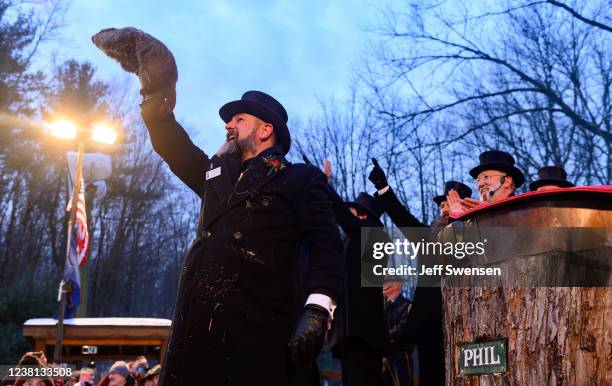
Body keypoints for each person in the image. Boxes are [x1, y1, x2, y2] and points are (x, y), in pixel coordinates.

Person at [140, 90, 342, 386]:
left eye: (239, 118)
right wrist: (155, 104)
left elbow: (327, 245)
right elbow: (176, 149)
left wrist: (318, 308)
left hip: (258, 329)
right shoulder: (215, 173)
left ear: (265, 130)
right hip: (198, 330)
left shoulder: (299, 178)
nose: (228, 125)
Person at [368, 160, 444, 386]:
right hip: (431, 325)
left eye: (450, 205)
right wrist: (384, 188)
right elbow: (402, 217)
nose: (445, 211)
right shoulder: (428, 238)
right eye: (441, 208)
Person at [447, 150, 525, 214]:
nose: (480, 184)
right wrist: (458, 220)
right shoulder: (472, 218)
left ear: (507, 181)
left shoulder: (526, 209)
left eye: (486, 177)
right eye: (478, 180)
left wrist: (492, 212)